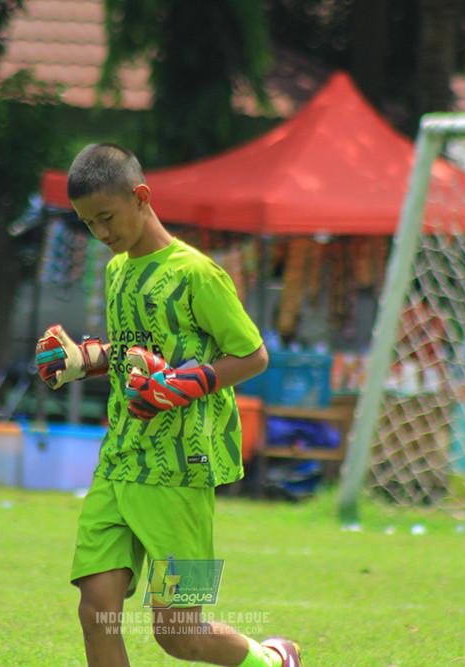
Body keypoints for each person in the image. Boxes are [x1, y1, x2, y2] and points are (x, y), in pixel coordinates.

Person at [35, 144, 302, 667]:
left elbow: (252, 355)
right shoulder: (116, 272)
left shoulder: (197, 274)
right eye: (89, 224)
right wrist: (83, 358)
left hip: (182, 473)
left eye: (106, 218)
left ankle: (272, 660)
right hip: (118, 463)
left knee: (180, 634)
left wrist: (186, 383)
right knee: (97, 611)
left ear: (141, 197)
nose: (102, 234)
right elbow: (135, 350)